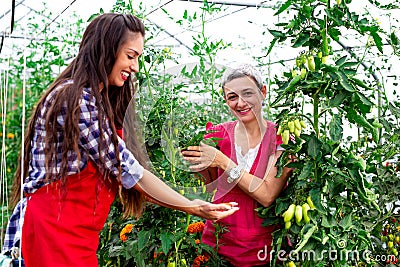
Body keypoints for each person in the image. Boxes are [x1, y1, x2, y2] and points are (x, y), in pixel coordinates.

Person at [1, 13, 238, 267]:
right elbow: (130, 172)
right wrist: (193, 207)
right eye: (130, 56)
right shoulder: (76, 100)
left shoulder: (97, 104)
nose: (135, 66)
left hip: (74, 236)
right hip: (52, 233)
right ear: (107, 49)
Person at [182, 64, 294, 267]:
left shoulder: (280, 138)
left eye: (248, 93)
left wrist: (222, 161)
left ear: (263, 92)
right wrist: (197, 163)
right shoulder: (217, 134)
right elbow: (211, 187)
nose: (240, 103)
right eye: (232, 97)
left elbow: (267, 195)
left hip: (262, 252)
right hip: (216, 246)